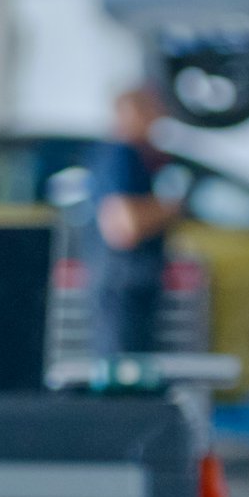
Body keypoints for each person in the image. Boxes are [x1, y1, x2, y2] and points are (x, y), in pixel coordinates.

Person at [79, 85, 180, 362]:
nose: (158, 120)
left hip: (126, 283)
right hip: (123, 285)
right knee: (123, 377)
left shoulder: (130, 157)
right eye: (153, 111)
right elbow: (123, 226)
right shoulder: (120, 155)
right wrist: (170, 208)